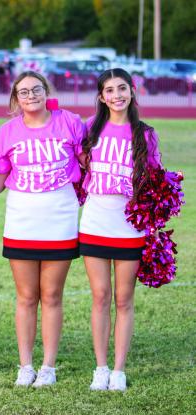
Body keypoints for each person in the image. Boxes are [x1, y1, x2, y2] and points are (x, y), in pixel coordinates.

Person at [0, 71, 84, 387]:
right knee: (27, 296)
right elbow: (0, 179)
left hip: (60, 217)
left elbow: (88, 163)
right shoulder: (6, 132)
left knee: (53, 295)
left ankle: (48, 367)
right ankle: (26, 365)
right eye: (24, 92)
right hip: (22, 219)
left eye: (36, 89)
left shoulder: (69, 122)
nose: (31, 96)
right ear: (15, 98)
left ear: (46, 92)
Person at [79, 68, 162, 392]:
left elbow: (154, 181)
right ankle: (101, 367)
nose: (117, 95)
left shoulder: (146, 133)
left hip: (130, 225)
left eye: (122, 88)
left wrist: (153, 222)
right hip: (96, 222)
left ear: (132, 91)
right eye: (110, 90)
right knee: (100, 297)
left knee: (124, 298)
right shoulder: (90, 129)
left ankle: (119, 369)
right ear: (101, 97)